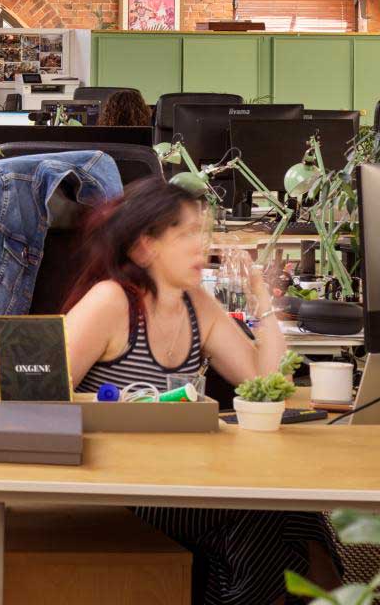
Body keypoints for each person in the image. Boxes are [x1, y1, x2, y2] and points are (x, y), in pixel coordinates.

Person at [63, 178, 334, 605]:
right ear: (145, 245)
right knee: (257, 518)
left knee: (302, 516)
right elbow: (41, 393)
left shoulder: (196, 305)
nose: (201, 245)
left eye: (202, 232)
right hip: (124, 486)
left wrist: (261, 297)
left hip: (183, 480)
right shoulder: (111, 302)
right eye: (187, 233)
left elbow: (262, 384)